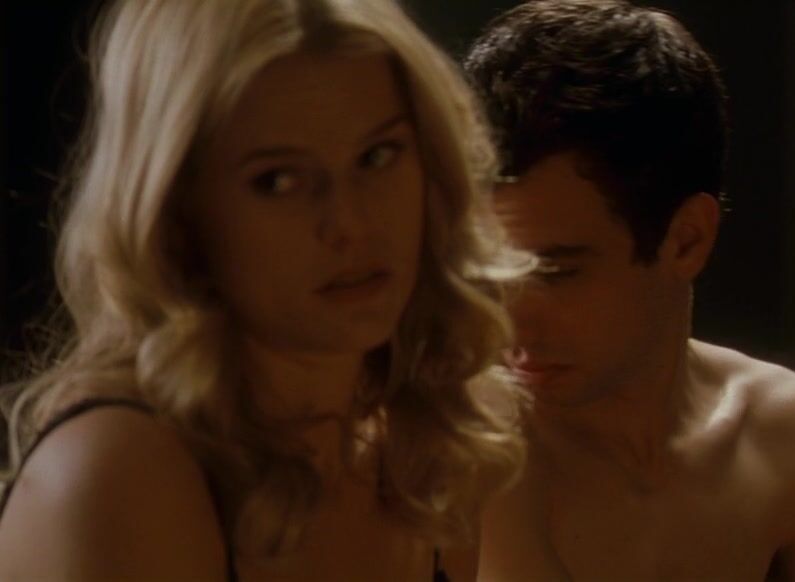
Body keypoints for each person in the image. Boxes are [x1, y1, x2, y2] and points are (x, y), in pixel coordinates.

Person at [0, 0, 525, 579]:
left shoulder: (428, 449)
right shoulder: (123, 471)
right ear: (178, 212)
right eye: (278, 181)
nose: (350, 224)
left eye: (377, 157)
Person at [463, 1, 795, 579]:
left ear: (687, 241)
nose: (512, 321)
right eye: (492, 270)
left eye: (557, 272)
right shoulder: (441, 448)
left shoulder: (782, 434)